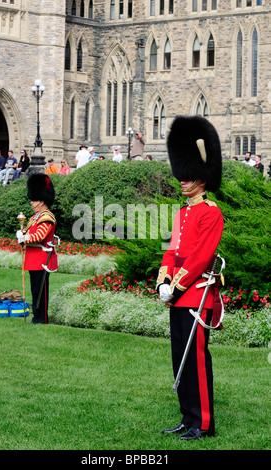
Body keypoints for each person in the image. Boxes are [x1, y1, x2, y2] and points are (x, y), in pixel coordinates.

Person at [157, 115, 224, 441]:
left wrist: (177, 284)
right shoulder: (183, 212)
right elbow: (173, 251)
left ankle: (205, 422)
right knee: (179, 359)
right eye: (181, 175)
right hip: (177, 294)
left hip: (197, 295)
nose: (182, 181)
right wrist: (162, 281)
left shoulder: (211, 212)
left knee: (195, 360)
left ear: (202, 177)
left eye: (188, 176)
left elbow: (200, 257)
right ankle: (187, 417)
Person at [16, 173, 58, 324]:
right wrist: (22, 235)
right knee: (35, 290)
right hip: (34, 259)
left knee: (41, 291)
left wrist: (24, 238)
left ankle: (42, 318)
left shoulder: (47, 217)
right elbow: (29, 233)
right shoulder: (35, 217)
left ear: (41, 201)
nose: (31, 203)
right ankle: (36, 315)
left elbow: (40, 236)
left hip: (42, 259)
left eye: (34, 200)